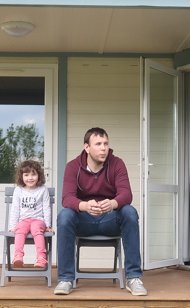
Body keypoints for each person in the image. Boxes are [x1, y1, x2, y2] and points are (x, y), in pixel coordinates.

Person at [54, 127, 146, 296]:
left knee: (129, 212)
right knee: (65, 215)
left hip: (110, 220)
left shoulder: (117, 163)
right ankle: (66, 279)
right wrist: (84, 206)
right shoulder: (73, 166)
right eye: (98, 144)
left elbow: (126, 194)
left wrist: (112, 204)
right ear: (87, 147)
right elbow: (67, 198)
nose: (103, 148)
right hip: (83, 221)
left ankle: (133, 278)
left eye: (106, 143)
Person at [8, 159, 52, 269]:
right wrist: (13, 226)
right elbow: (15, 209)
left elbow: (46, 208)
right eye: (26, 175)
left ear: (39, 175)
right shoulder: (19, 190)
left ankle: (41, 257)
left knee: (36, 229)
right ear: (21, 176)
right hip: (24, 221)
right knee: (19, 229)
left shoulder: (43, 190)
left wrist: (47, 225)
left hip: (38, 220)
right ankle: (18, 256)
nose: (30, 178)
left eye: (33, 174)